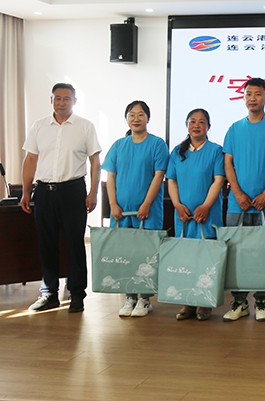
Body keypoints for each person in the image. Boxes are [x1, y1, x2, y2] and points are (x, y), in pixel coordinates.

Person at [21, 83, 101, 313]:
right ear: (51, 100)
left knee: (74, 243)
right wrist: (26, 191)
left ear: (74, 101)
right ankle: (49, 294)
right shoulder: (39, 126)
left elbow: (95, 161)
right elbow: (31, 160)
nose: (62, 102)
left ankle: (77, 294)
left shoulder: (85, 126)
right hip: (44, 191)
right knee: (46, 243)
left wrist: (93, 192)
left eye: (67, 98)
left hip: (73, 191)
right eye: (58, 98)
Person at [222, 77, 265, 323]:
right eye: (249, 94)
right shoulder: (234, 128)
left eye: (258, 94)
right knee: (236, 254)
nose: (253, 98)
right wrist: (238, 193)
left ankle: (262, 301)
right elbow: (228, 163)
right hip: (237, 204)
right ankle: (239, 302)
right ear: (244, 98)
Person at [103, 100, 169, 318]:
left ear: (148, 118)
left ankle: (145, 299)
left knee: (145, 255)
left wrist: (147, 203)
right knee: (124, 255)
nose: (136, 119)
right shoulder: (118, 145)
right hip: (121, 212)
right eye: (132, 115)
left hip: (147, 211)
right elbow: (111, 176)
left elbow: (159, 176)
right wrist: (113, 204)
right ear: (126, 119)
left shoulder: (157, 144)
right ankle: (129, 297)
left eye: (141, 114)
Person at [167, 108, 226, 321]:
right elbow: (171, 180)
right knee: (186, 260)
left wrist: (206, 206)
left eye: (201, 122)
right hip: (183, 216)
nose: (197, 125)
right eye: (192, 121)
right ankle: (187, 302)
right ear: (187, 125)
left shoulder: (216, 151)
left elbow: (218, 180)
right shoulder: (177, 152)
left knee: (205, 260)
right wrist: (177, 205)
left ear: (208, 127)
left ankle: (204, 302)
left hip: (208, 215)